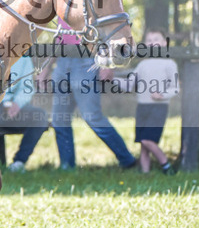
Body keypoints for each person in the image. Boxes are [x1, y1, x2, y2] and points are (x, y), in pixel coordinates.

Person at [42, 17, 137, 170]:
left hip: (86, 62)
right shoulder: (62, 4)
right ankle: (67, 166)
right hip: (62, 63)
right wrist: (46, 68)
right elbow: (59, 38)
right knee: (59, 119)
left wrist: (108, 64)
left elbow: (107, 31)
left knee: (92, 117)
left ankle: (127, 161)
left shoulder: (91, 0)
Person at [0, 55, 48, 172]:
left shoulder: (24, 58)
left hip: (13, 107)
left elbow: (27, 87)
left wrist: (17, 103)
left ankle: (19, 162)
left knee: (39, 116)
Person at [120, 29, 178, 174]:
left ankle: (166, 166)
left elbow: (175, 88)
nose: (153, 43)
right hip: (142, 108)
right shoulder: (142, 65)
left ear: (164, 43)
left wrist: (162, 95)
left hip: (158, 108)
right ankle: (145, 174)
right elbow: (128, 84)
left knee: (147, 140)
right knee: (143, 144)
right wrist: (112, 80)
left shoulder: (169, 64)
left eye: (156, 39)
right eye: (149, 40)